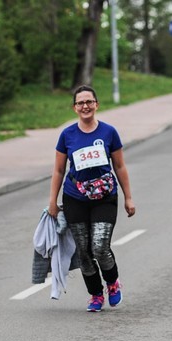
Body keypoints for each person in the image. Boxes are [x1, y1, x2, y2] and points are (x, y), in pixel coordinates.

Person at [47, 85, 136, 312]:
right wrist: (52, 202)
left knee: (99, 246)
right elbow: (58, 170)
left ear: (96, 104)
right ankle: (96, 294)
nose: (85, 106)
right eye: (80, 103)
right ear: (75, 107)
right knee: (84, 251)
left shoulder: (109, 132)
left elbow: (120, 166)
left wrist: (128, 198)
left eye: (89, 102)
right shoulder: (67, 135)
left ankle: (113, 283)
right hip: (74, 197)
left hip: (104, 197)